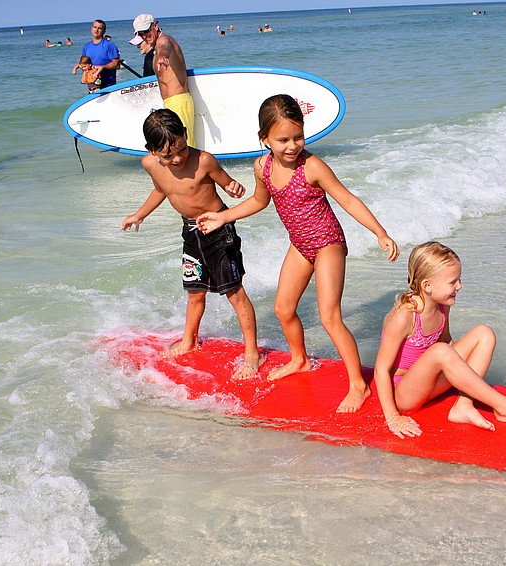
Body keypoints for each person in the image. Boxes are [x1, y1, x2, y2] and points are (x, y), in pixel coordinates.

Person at [196, 94, 399, 413]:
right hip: (300, 245)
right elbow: (259, 201)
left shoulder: (313, 166)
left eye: (298, 136)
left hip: (328, 243)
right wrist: (223, 216)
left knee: (329, 317)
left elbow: (347, 200)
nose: (292, 145)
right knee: (283, 308)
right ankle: (300, 359)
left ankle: (358, 385)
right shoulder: (262, 167)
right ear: (264, 139)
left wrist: (380, 232)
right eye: (283, 139)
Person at [120, 109, 260, 378]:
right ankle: (189, 341)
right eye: (167, 155)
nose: (176, 158)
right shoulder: (150, 165)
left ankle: (251, 352)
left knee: (234, 292)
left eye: (181, 149)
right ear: (151, 151)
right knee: (195, 291)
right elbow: (162, 189)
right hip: (191, 232)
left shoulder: (204, 160)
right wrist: (139, 214)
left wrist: (234, 187)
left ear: (185, 135)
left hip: (218, 229)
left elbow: (226, 182)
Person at [374, 242, 506, 439]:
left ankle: (463, 405)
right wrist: (393, 417)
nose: (459, 286)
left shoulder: (442, 305)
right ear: (427, 286)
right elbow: (381, 370)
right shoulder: (403, 317)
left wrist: (462, 372)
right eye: (453, 282)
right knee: (441, 351)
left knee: (484, 334)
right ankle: (505, 408)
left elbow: (446, 342)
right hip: (405, 393)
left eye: (459, 279)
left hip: (433, 383)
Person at [130, 14, 195, 148]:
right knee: (175, 145)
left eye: (146, 32)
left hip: (178, 101)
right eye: (140, 34)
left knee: (183, 146)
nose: (144, 36)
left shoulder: (163, 40)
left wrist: (163, 56)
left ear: (155, 26)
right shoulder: (154, 48)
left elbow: (165, 46)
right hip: (172, 102)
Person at [71, 20, 120, 90]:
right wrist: (81, 68)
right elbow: (83, 64)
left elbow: (116, 64)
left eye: (99, 28)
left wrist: (102, 67)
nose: (96, 30)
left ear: (104, 31)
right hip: (92, 87)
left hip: (108, 86)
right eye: (95, 27)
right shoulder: (86, 47)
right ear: (91, 29)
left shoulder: (109, 45)